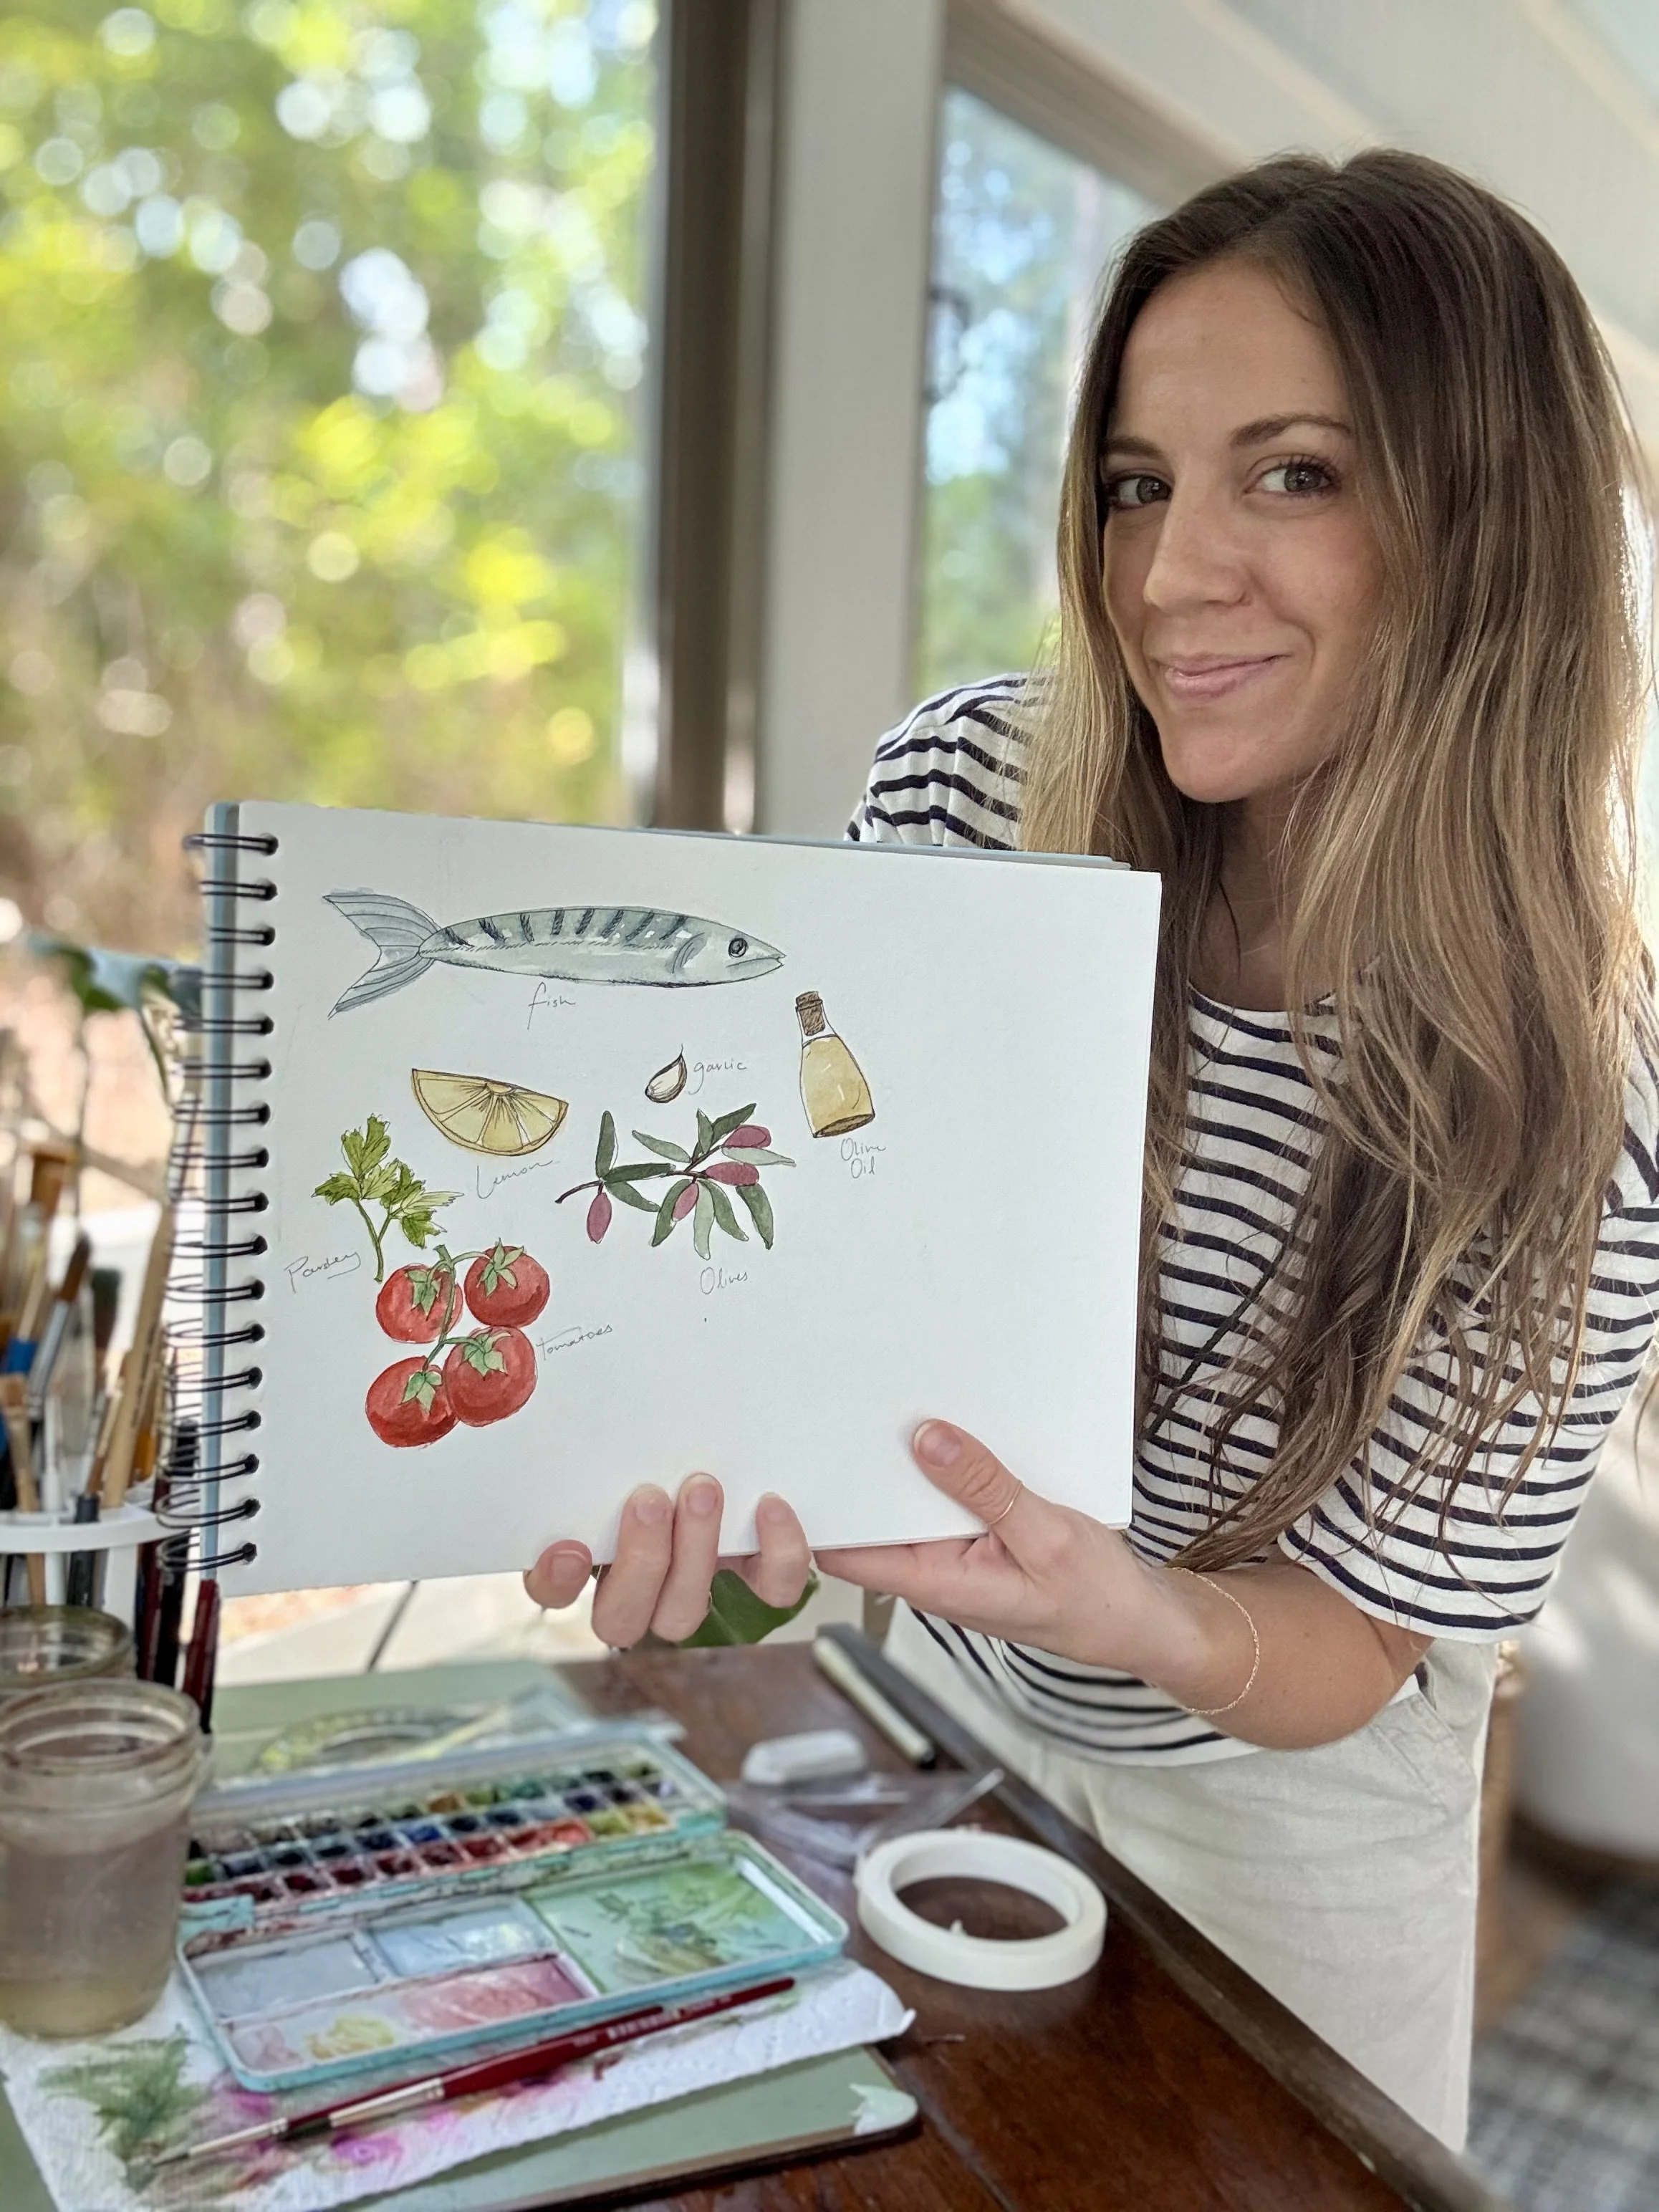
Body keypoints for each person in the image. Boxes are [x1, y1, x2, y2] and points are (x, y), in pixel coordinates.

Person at [525, 150, 1659, 2146]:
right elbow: (824, 1268)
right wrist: (691, 1485)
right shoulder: (970, 790)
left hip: (1290, 1813)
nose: (1162, 574)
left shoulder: (1590, 1083)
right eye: (1136, 480)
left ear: (1491, 527)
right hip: (957, 1704)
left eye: (1289, 472)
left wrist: (1125, 1609)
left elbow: (1359, 1642)